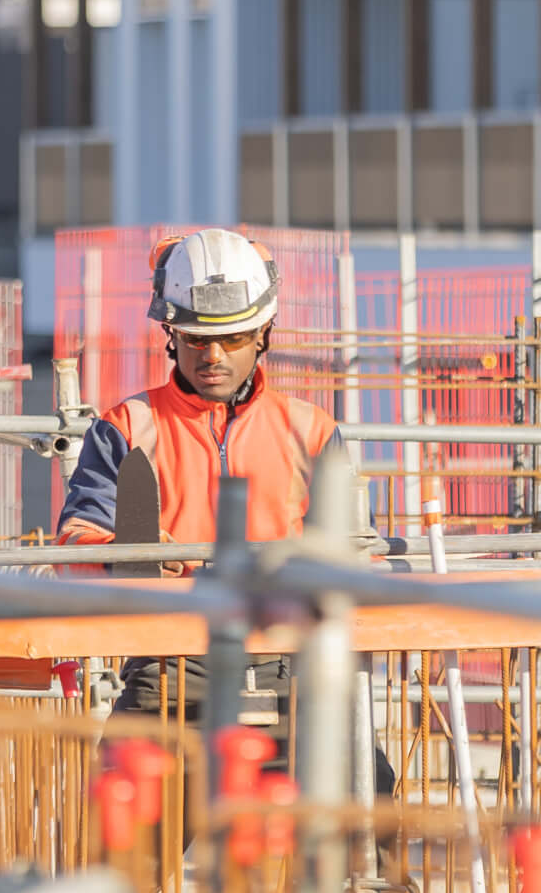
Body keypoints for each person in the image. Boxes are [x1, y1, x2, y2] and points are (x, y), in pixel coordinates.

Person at [56, 228, 334, 732]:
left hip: (291, 664)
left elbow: (359, 554)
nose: (214, 356)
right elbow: (74, 545)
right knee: (122, 796)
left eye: (233, 338)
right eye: (196, 339)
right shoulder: (126, 428)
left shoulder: (310, 431)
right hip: (169, 663)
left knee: (368, 794)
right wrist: (131, 555)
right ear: (172, 335)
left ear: (263, 334)